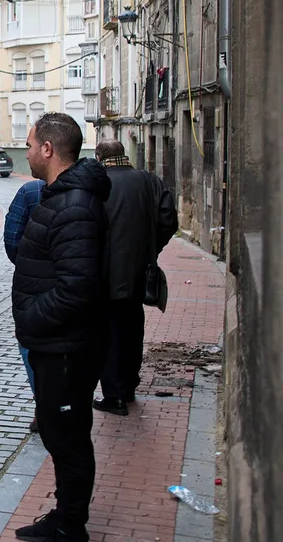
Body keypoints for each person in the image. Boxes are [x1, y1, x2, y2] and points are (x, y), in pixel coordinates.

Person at [11, 113, 111, 542]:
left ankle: (71, 525)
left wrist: (31, 318)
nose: (28, 151)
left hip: (66, 346)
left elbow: (77, 287)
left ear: (48, 149)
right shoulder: (62, 197)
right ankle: (66, 515)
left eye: (31, 144)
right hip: (58, 343)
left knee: (67, 436)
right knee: (60, 431)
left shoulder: (73, 206)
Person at [92, 139, 179, 416]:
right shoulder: (149, 181)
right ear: (123, 155)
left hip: (104, 274)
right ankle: (128, 386)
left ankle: (114, 396)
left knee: (107, 333)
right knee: (132, 329)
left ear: (99, 156)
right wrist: (150, 249)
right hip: (139, 272)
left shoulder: (97, 183)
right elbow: (169, 220)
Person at [4, 177, 46, 432]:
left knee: (30, 346)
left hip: (34, 287)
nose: (27, 152)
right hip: (81, 285)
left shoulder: (31, 191)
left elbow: (12, 237)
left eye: (30, 146)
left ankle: (44, 405)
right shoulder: (92, 190)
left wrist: (28, 264)